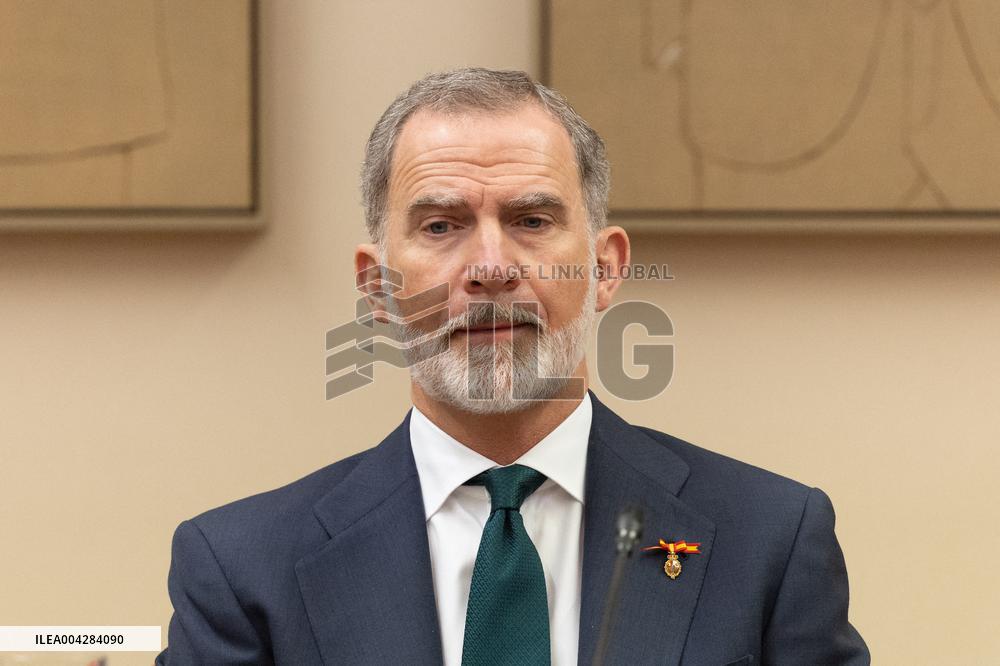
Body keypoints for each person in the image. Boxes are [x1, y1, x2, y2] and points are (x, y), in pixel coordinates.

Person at [156, 68, 869, 665]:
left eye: (531, 221)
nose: (491, 267)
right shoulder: (241, 568)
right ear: (377, 287)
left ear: (605, 268)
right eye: (441, 226)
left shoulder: (771, 539)